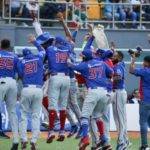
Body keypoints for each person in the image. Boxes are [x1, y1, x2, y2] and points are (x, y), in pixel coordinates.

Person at [68, 34, 114, 150]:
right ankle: (103, 138)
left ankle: (85, 138)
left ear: (84, 57)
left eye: (82, 55)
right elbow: (111, 73)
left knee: (84, 117)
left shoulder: (84, 65)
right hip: (104, 93)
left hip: (92, 92)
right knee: (97, 117)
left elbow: (71, 66)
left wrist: (66, 58)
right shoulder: (101, 62)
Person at [17, 35, 45, 150]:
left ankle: (23, 139)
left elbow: (20, 75)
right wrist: (35, 42)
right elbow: (43, 51)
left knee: (23, 116)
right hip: (38, 89)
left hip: (26, 88)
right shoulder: (38, 57)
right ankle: (34, 140)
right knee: (35, 116)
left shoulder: (21, 61)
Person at [0, 39, 19, 150]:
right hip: (12, 82)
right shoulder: (15, 56)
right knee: (12, 112)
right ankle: (16, 140)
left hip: (1, 81)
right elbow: (20, 72)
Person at [129, 55, 150, 150]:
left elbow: (131, 70)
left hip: (145, 100)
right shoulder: (145, 70)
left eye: (144, 62)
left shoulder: (145, 71)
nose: (143, 63)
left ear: (148, 63)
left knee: (143, 122)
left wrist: (133, 59)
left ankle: (144, 145)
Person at [111, 51, 129, 150]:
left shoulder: (118, 65)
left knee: (120, 119)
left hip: (119, 92)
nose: (112, 57)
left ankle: (122, 142)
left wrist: (109, 78)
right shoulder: (119, 64)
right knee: (118, 119)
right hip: (117, 92)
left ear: (119, 58)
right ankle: (126, 140)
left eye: (114, 56)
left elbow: (118, 77)